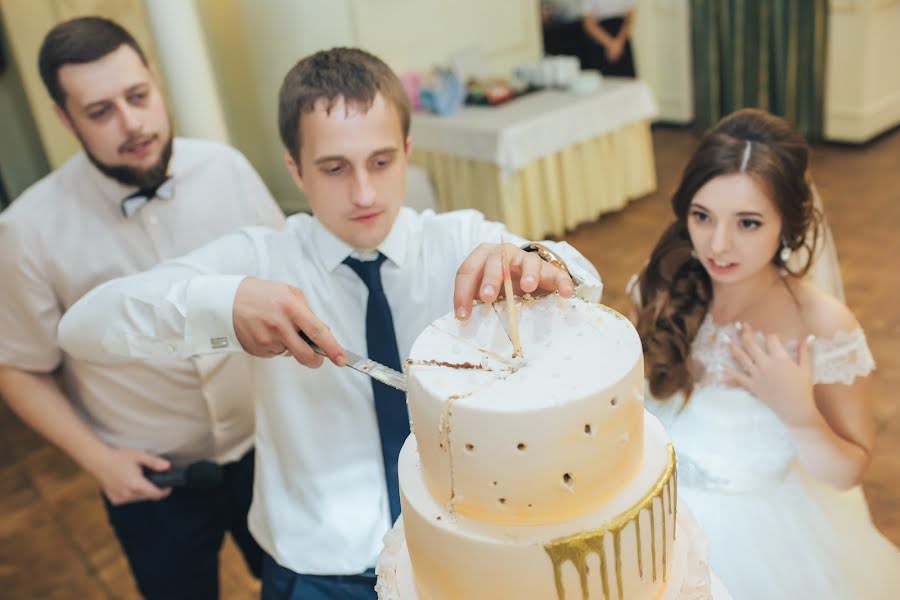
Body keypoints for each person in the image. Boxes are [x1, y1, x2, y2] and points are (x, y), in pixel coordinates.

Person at [56, 47, 598, 599]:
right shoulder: (262, 259)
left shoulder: (457, 240)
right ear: (294, 167)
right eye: (334, 168)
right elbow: (81, 328)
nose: (363, 193)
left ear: (408, 151)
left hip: (469, 552)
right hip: (320, 570)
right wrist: (224, 303)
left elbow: (582, 278)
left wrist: (542, 263)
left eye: (382, 162)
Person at [0, 17, 285, 600]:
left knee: (295, 588)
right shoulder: (26, 230)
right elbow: (17, 367)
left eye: (138, 96)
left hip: (270, 453)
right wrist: (99, 462)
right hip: (152, 485)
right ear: (65, 118)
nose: (132, 124)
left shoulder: (226, 169)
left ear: (156, 82)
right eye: (100, 111)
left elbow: (288, 282)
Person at [630, 108, 900, 599]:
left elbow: (847, 473)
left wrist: (798, 414)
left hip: (761, 536)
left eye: (748, 223)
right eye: (702, 216)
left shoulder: (822, 324)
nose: (718, 244)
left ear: (788, 226)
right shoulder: (660, 288)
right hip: (651, 519)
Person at [581, 0, 637, 77]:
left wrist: (619, 43)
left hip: (621, 40)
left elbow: (630, 16)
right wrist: (610, 44)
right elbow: (588, 23)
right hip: (601, 39)